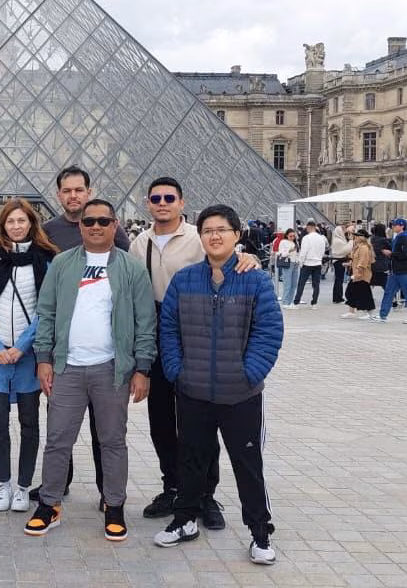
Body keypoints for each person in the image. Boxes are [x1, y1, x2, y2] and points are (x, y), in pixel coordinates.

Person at [154, 204, 282, 566]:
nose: (214, 236)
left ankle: (260, 533)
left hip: (240, 393)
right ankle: (185, 520)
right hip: (193, 389)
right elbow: (169, 329)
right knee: (191, 459)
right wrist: (177, 371)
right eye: (207, 230)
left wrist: (249, 373)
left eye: (222, 230)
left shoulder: (255, 280)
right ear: (200, 236)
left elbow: (269, 331)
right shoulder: (184, 280)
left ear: (236, 235)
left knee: (248, 464)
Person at [128, 177, 257, 528]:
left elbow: (228, 260)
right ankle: (172, 486)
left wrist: (248, 258)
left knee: (201, 422)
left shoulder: (198, 238)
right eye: (156, 198)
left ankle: (204, 495)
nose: (162, 203)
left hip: (198, 333)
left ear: (182, 203)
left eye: (169, 198)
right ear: (148, 203)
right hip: (157, 333)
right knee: (161, 420)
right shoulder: (139, 243)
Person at [25, 199, 155, 540]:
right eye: (89, 221)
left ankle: (114, 505)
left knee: (112, 441)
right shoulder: (62, 263)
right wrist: (43, 358)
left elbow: (145, 323)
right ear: (80, 226)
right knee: (57, 441)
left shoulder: (132, 268)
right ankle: (49, 504)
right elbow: (47, 312)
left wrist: (142, 369)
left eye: (103, 221)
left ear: (115, 225)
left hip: (112, 369)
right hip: (67, 367)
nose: (96, 226)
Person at [34, 166, 130, 503]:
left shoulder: (113, 231)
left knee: (106, 432)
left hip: (105, 353)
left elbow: (127, 278)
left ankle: (108, 492)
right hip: (66, 348)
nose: (73, 195)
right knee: (61, 428)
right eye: (67, 190)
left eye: (79, 190)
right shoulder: (47, 232)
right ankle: (59, 485)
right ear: (58, 194)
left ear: (89, 192)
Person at [0, 199, 55, 513]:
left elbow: (44, 310)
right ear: (2, 226)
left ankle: (23, 487)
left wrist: (21, 347)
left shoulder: (45, 260)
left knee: (29, 422)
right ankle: (3, 484)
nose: (16, 226)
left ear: (31, 224)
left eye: (21, 220)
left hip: (27, 354)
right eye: (10, 221)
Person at [371, 218, 407, 324]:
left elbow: (406, 254)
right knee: (389, 292)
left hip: (404, 270)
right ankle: (383, 315)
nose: (393, 227)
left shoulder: (406, 238)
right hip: (395, 270)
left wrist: (391, 254)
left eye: (395, 225)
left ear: (402, 226)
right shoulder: (398, 237)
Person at [290, 221, 327, 309]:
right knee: (316, 284)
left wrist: (301, 262)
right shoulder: (322, 238)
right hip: (318, 263)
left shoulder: (306, 238)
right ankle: (314, 303)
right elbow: (323, 250)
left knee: (301, 284)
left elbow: (303, 252)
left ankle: (296, 302)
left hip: (307, 263)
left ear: (309, 227)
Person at [341, 230, 375, 318]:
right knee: (351, 292)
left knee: (363, 294)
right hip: (357, 274)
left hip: (362, 275)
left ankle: (369, 313)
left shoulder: (364, 248)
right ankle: (351, 311)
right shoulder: (357, 247)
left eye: (357, 236)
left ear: (361, 237)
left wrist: (358, 273)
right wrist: (349, 264)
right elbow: (355, 259)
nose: (355, 237)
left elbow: (363, 261)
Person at [329, 222, 353, 304]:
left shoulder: (338, 239)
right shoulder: (338, 241)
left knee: (338, 279)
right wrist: (351, 241)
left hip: (339, 260)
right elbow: (346, 250)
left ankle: (337, 297)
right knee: (339, 280)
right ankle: (338, 298)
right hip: (339, 261)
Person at [275, 230, 299, 307]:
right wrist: (290, 251)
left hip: (295, 263)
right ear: (286, 235)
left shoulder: (295, 242)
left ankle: (290, 302)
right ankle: (285, 302)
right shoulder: (283, 242)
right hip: (288, 263)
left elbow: (297, 253)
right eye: (290, 236)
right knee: (287, 284)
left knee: (294, 284)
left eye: (293, 236)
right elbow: (281, 254)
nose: (292, 237)